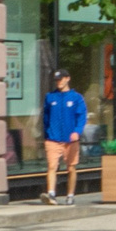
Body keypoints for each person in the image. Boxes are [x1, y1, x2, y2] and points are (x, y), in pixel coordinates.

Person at [40, 70, 87, 205]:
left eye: (61, 79)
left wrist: (77, 132)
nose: (58, 82)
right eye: (56, 80)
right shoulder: (50, 97)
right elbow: (46, 117)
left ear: (68, 79)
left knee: (71, 167)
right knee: (52, 166)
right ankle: (51, 194)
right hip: (53, 138)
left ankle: (70, 195)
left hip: (70, 140)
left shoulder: (76, 98)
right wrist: (46, 134)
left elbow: (81, 117)